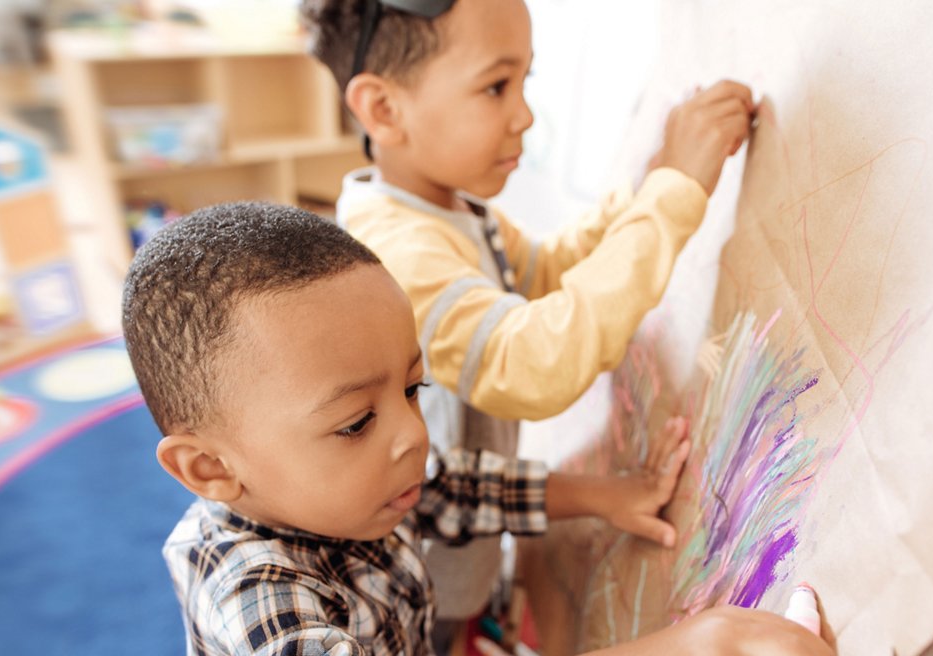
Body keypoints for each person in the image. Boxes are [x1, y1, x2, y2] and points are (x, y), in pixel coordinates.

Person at [122, 201, 847, 656]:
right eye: (356, 422)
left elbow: (455, 487)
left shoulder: (350, 486)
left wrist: (602, 495)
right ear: (211, 470)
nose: (412, 435)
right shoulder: (252, 584)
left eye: (412, 389)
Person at [301, 0, 756, 624]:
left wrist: (646, 186)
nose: (524, 115)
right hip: (417, 587)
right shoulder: (398, 252)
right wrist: (674, 194)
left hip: (467, 548)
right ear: (383, 109)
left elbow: (544, 272)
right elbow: (530, 363)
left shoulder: (443, 207)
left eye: (525, 81)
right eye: (495, 86)